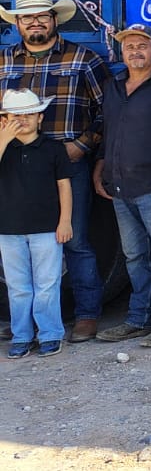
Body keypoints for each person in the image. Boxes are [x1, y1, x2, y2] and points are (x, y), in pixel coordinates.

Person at [0, 0, 111, 343]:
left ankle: (86, 315)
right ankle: (23, 322)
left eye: (41, 16)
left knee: (74, 239)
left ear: (54, 20)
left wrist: (80, 147)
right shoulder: (2, 61)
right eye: (27, 17)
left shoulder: (84, 59)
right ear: (17, 23)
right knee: (15, 245)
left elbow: (107, 111)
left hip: (68, 163)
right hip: (13, 167)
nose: (35, 22)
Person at [94, 24, 151, 347]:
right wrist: (100, 165)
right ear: (122, 53)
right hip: (120, 186)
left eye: (142, 45)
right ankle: (139, 319)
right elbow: (108, 131)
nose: (135, 51)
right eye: (129, 46)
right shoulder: (112, 86)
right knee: (134, 256)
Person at [0, 89, 73, 358]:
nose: (23, 120)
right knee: (18, 287)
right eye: (16, 115)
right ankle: (21, 335)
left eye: (30, 114)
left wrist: (65, 221)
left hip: (47, 228)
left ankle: (50, 334)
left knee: (47, 284)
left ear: (40, 117)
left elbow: (64, 186)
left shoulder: (53, 149)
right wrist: (3, 139)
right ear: (5, 119)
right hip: (8, 229)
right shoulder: (3, 148)